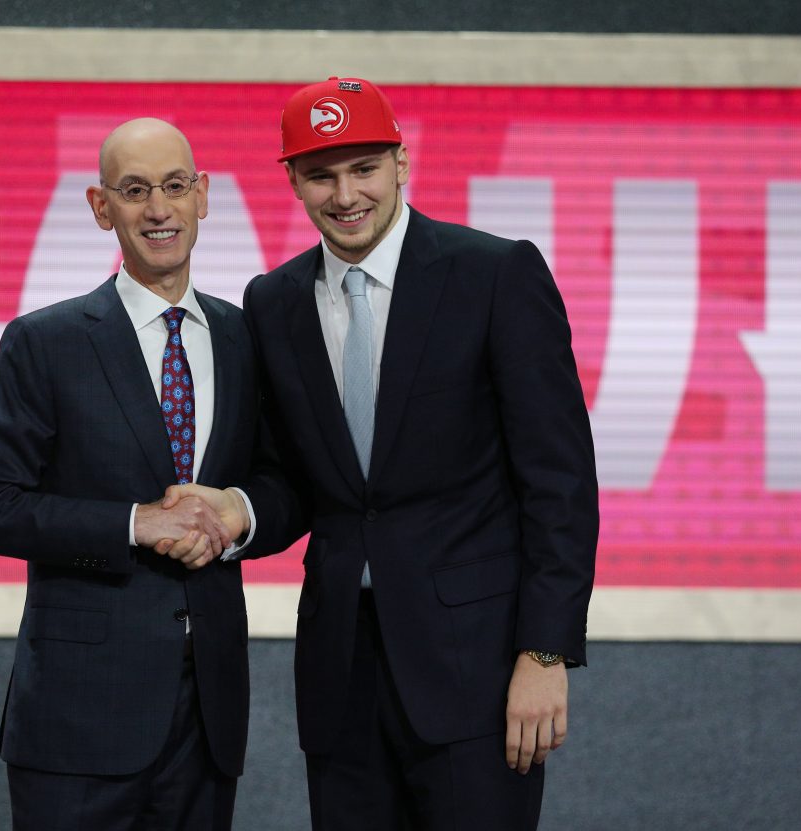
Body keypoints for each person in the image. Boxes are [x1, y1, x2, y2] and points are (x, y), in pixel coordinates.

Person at [165, 78, 599, 829]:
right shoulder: (273, 300)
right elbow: (295, 479)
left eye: (363, 167)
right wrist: (236, 510)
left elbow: (559, 481)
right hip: (340, 675)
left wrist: (546, 652)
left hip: (480, 671)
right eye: (321, 174)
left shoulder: (495, 274)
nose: (345, 194)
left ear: (402, 162)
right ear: (292, 181)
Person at [0, 118, 263, 831]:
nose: (159, 209)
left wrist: (237, 511)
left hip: (207, 719)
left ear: (203, 196)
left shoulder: (247, 337)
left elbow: (284, 481)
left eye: (175, 187)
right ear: (102, 208)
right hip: (77, 722)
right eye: (135, 191)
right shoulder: (46, 341)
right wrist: (134, 523)